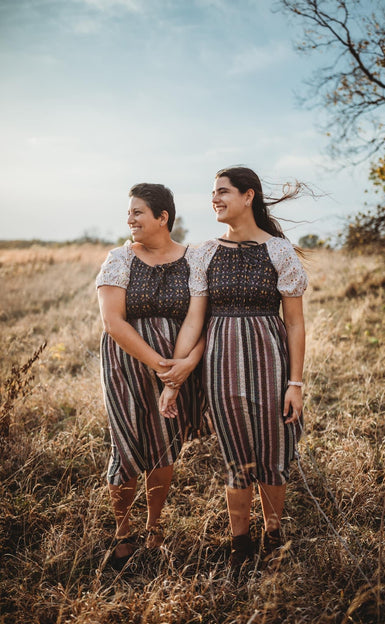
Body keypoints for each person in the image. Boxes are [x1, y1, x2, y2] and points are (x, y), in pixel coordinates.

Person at [159, 166, 308, 572]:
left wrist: (295, 383)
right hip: (221, 364)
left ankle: (274, 537)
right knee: (236, 454)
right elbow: (195, 319)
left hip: (270, 361)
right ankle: (239, 544)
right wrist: (176, 374)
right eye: (213, 193)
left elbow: (294, 322)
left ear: (249, 196)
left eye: (223, 192)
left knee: (273, 452)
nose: (215, 199)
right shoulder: (204, 252)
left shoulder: (278, 251)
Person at [96, 182, 206, 570]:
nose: (130, 219)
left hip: (179, 366)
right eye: (129, 212)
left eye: (138, 212)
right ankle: (122, 531)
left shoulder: (196, 259)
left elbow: (205, 320)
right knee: (125, 445)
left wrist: (187, 364)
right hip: (127, 364)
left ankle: (153, 525)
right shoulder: (119, 258)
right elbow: (113, 322)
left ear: (163, 217)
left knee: (164, 445)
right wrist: (163, 369)